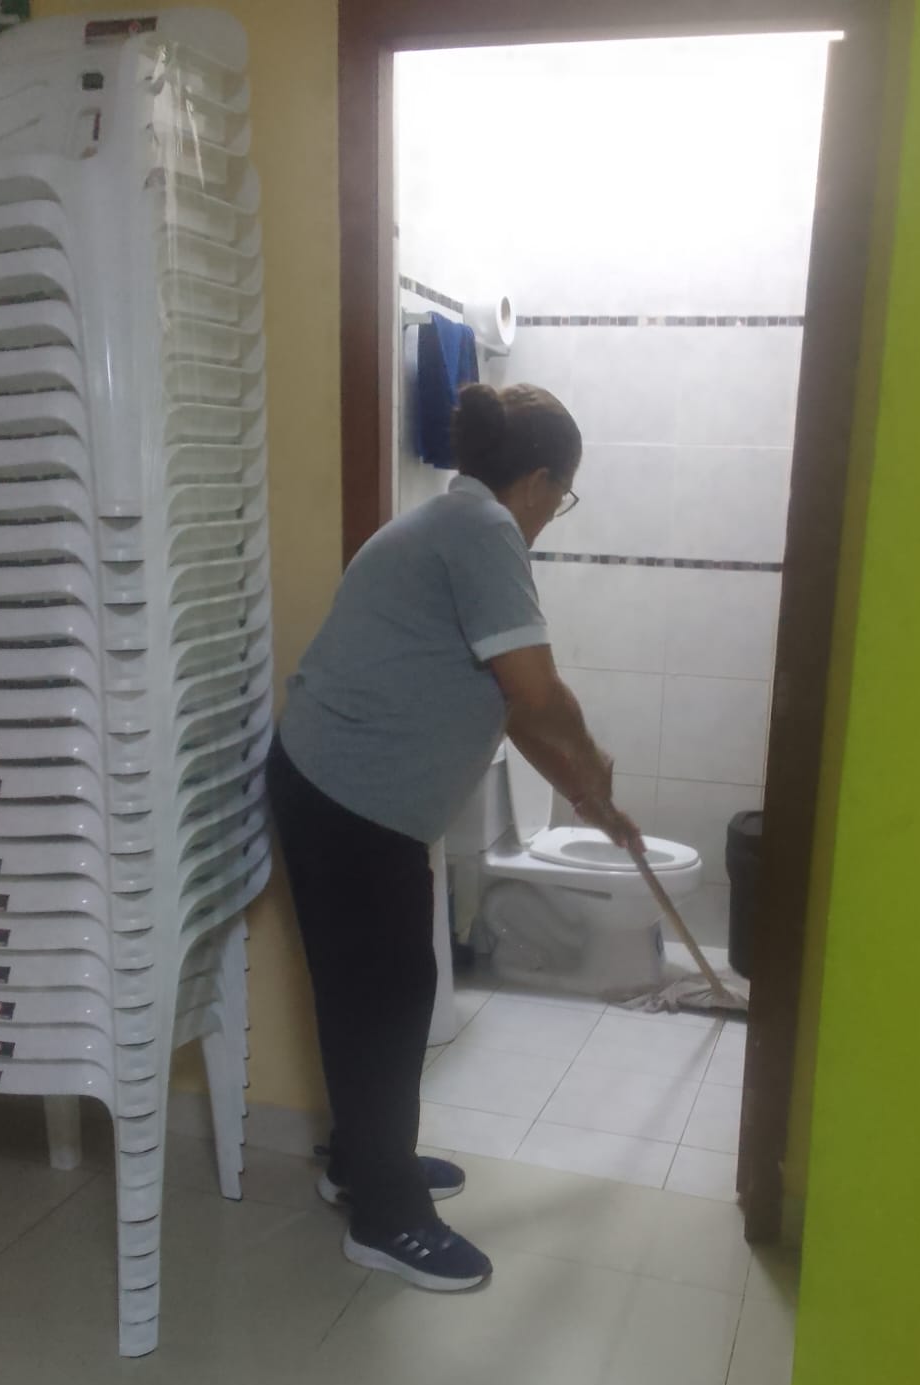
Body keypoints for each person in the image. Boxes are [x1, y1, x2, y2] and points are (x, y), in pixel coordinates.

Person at [267, 383, 640, 1293]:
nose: (554, 512)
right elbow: (539, 692)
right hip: (352, 798)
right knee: (386, 1000)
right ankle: (386, 1217)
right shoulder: (484, 533)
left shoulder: (456, 522)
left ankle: (365, 1163)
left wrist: (583, 794)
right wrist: (594, 760)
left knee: (376, 993)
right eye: (563, 495)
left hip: (341, 790)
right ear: (539, 480)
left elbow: (510, 706)